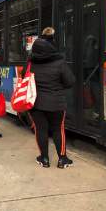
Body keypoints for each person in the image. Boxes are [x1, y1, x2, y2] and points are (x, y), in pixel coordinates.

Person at [29, 27, 75, 169]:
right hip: (56, 103)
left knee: (41, 130)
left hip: (36, 104)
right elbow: (70, 81)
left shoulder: (31, 63)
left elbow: (24, 79)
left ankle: (44, 159)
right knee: (58, 129)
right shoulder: (60, 62)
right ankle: (62, 159)